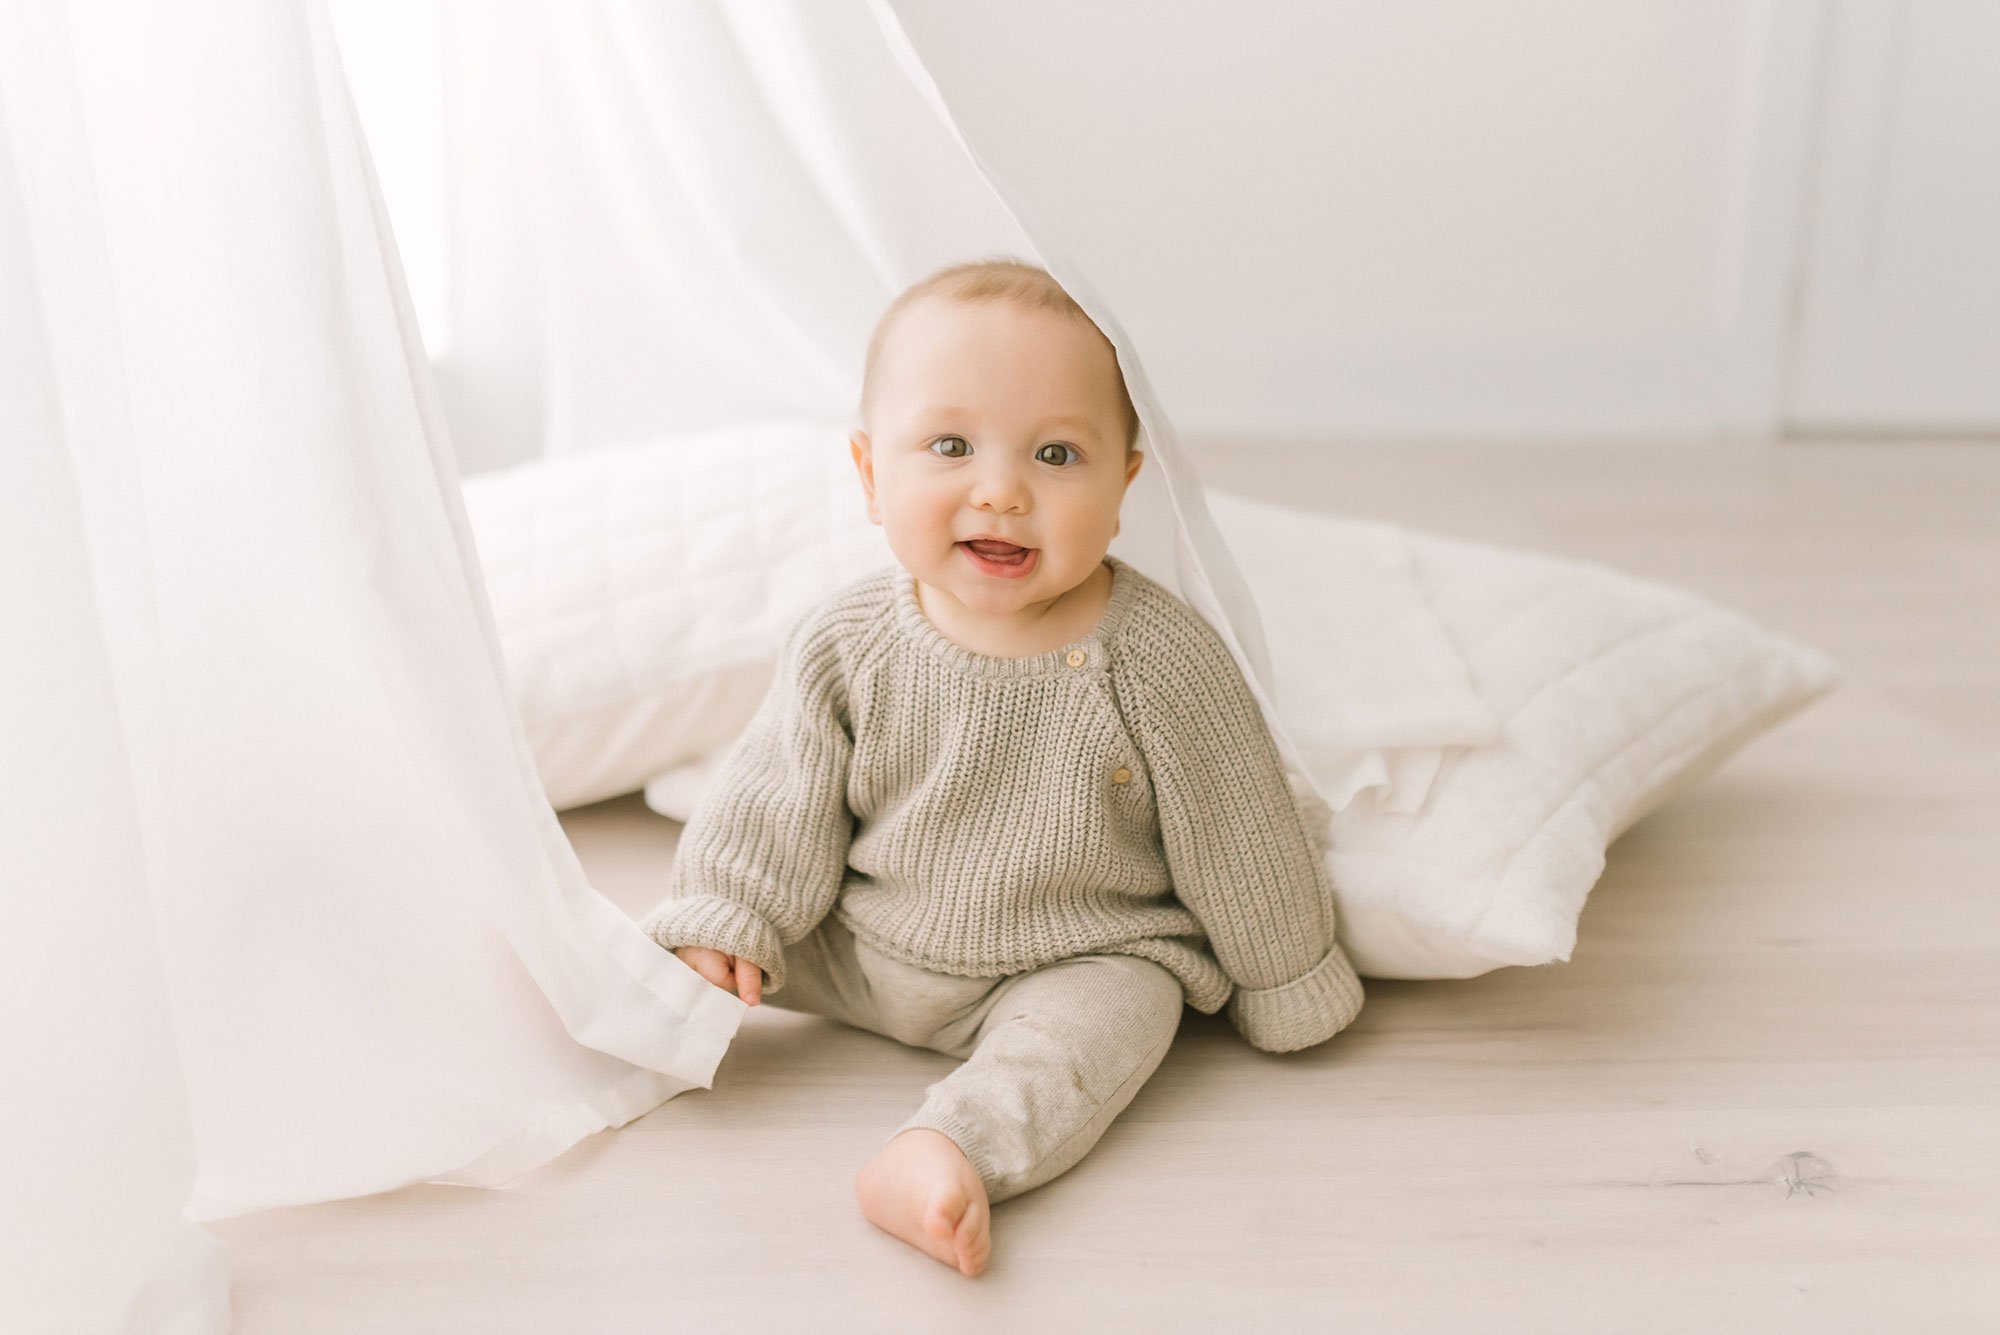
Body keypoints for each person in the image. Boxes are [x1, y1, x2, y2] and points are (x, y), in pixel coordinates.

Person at [640, 258, 1364, 1278]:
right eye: (947, 445)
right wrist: (731, 915)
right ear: (868, 474)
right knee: (693, 944)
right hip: (860, 938)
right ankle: (617, 1019)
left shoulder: (1158, 657)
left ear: (1122, 484)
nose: (1000, 489)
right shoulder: (848, 641)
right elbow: (774, 799)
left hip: (1064, 955)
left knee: (1114, 1019)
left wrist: (1286, 976)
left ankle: (947, 1149)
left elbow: (1236, 829)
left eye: (1057, 454)